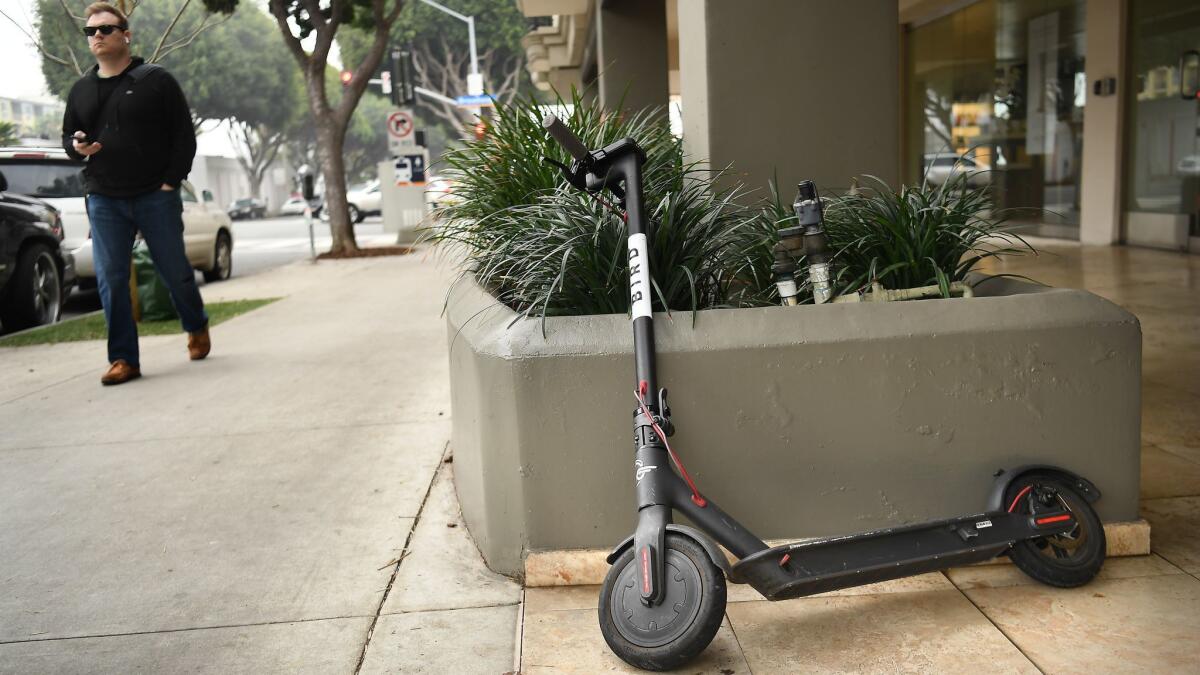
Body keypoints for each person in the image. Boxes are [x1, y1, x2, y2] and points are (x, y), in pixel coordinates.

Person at [61, 2, 210, 386]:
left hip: (153, 194)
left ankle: (196, 325)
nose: (97, 36)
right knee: (110, 279)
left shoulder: (156, 80)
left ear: (125, 35)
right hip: (104, 196)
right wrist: (77, 146)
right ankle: (124, 359)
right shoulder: (80, 89)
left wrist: (169, 182)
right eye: (91, 32)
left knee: (175, 272)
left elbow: (183, 136)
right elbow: (69, 136)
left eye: (105, 29)